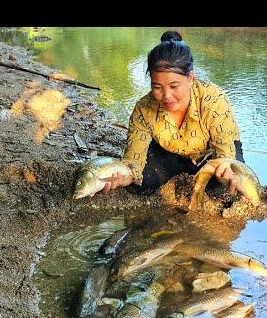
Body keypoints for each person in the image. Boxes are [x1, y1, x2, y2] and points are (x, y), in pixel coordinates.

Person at [101, 30, 245, 197]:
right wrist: (125, 177)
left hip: (210, 154)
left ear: (190, 78)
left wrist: (225, 169)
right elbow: (133, 162)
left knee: (223, 189)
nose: (167, 96)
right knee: (138, 185)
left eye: (174, 86)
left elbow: (224, 155)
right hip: (170, 153)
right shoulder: (143, 109)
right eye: (157, 87)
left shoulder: (214, 100)